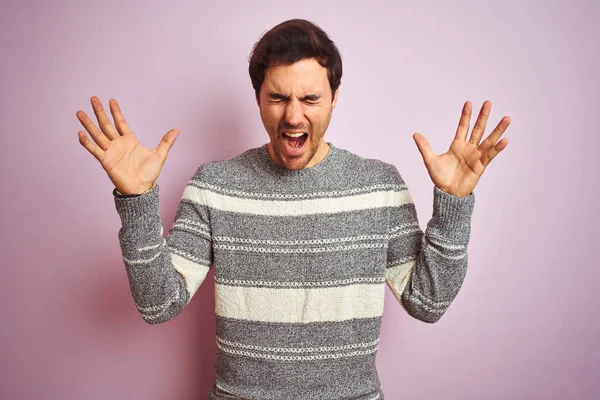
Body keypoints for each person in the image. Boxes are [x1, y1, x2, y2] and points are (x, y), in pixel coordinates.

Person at [76, 19, 510, 400]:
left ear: (335, 97)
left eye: (310, 99)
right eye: (278, 97)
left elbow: (428, 303)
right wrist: (136, 201)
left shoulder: (379, 187)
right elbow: (158, 304)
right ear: (258, 98)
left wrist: (453, 203)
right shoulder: (214, 186)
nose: (294, 116)